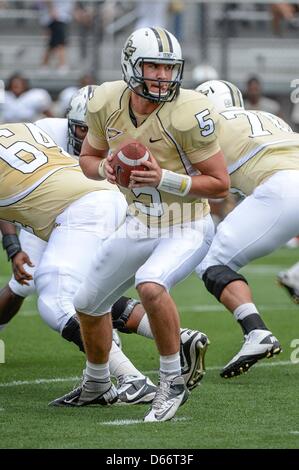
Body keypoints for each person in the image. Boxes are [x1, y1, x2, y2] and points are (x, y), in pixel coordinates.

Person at [52, 26, 229, 422]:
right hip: (140, 221)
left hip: (187, 221)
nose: (162, 77)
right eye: (153, 66)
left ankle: (171, 381)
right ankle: (98, 383)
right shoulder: (104, 100)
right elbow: (88, 159)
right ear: (131, 65)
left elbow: (220, 185)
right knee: (87, 303)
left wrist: (163, 178)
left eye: (169, 69)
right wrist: (104, 167)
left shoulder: (189, 111)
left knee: (151, 283)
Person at [0, 86, 205, 403]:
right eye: (81, 129)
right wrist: (14, 247)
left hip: (75, 207)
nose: (86, 135)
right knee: (85, 291)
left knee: (55, 300)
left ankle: (129, 378)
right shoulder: (28, 128)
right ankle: (162, 346)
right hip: (80, 203)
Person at [193, 79, 299, 378]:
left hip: (283, 187)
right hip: (287, 179)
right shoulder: (269, 117)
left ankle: (256, 333)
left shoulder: (206, 123)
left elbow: (200, 184)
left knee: (211, 261)